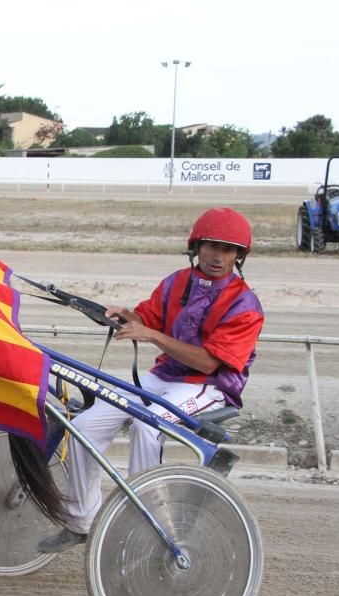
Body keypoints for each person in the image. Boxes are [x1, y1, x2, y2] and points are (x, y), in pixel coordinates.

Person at [38, 207, 264, 553]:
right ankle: (80, 521)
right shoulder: (176, 282)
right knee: (84, 425)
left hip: (210, 386)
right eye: (211, 247)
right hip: (163, 376)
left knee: (147, 426)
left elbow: (206, 363)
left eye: (228, 250)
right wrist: (123, 314)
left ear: (239, 256)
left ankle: (142, 525)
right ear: (197, 247)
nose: (218, 257)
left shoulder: (245, 305)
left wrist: (151, 336)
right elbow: (148, 317)